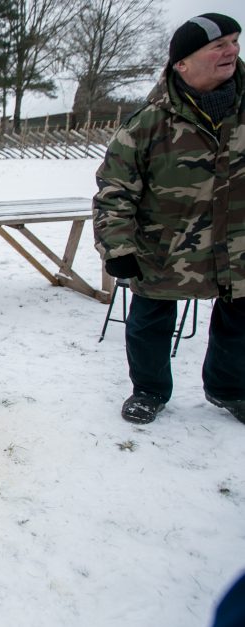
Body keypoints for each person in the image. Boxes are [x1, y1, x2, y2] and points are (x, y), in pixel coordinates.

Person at [93, 13, 245, 425]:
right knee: (150, 323)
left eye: (233, 40)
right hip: (165, 249)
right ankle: (149, 389)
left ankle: (230, 389)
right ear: (182, 63)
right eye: (217, 45)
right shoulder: (147, 124)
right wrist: (118, 247)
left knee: (239, 323)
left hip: (239, 248)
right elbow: (114, 191)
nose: (231, 50)